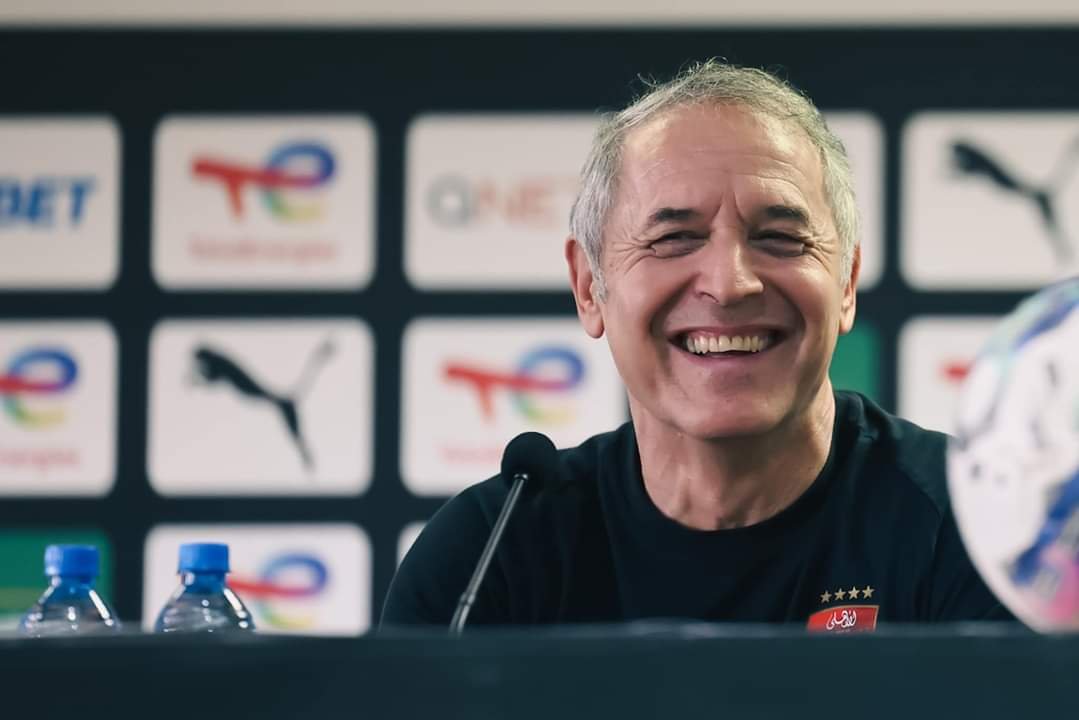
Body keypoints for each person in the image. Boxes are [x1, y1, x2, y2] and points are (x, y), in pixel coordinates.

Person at [381, 60, 1010, 630]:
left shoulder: (980, 528)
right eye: (673, 239)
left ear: (845, 283)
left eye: (780, 238)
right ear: (589, 286)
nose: (729, 284)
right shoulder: (484, 557)